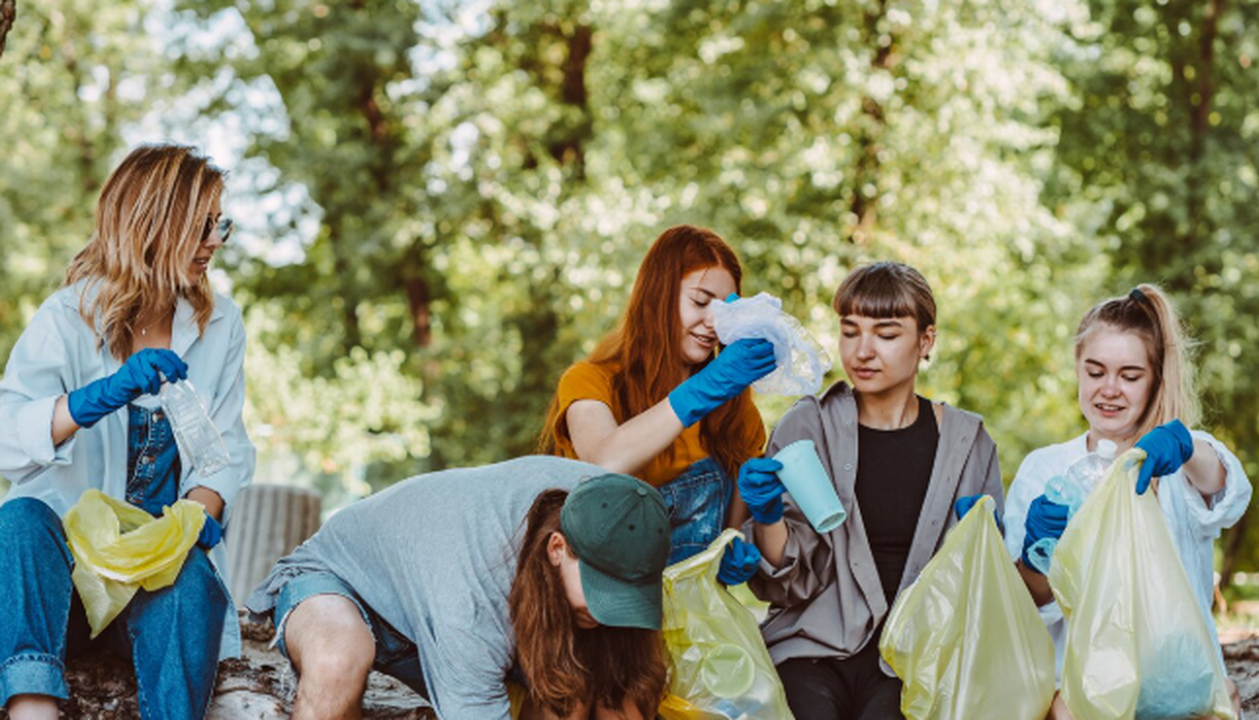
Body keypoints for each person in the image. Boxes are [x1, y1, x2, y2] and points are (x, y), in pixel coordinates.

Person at [0, 144, 255, 719]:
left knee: (191, 574)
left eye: (220, 225)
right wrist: (92, 400)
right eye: (202, 225)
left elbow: (227, 450)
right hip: (62, 591)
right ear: (152, 222)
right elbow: (6, 442)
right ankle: (32, 708)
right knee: (19, 522)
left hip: (150, 593)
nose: (216, 241)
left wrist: (197, 514)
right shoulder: (66, 317)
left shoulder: (221, 324)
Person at [737, 261, 1004, 720]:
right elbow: (786, 585)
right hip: (811, 648)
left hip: (915, 657)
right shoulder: (808, 427)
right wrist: (767, 518)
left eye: (886, 334)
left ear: (926, 341)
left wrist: (985, 545)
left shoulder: (968, 444)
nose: (862, 351)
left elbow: (983, 588)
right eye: (850, 331)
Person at [244, 457, 670, 720]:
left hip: (448, 597)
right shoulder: (473, 598)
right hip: (343, 582)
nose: (609, 611)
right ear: (557, 548)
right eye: (601, 591)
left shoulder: (629, 514)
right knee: (338, 657)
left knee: (573, 694)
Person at [1003, 284, 1250, 718]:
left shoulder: (1180, 460)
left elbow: (1229, 495)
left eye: (1130, 376)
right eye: (1095, 372)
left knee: (1221, 696)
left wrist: (1186, 448)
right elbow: (1030, 609)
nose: (1110, 389)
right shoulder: (1046, 469)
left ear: (1156, 379)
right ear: (1077, 369)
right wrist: (1036, 557)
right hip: (1085, 688)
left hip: (1180, 681)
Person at [539, 225, 775, 579]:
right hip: (602, 600)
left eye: (726, 309)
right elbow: (603, 463)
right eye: (700, 302)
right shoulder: (590, 381)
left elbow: (732, 531)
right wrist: (701, 391)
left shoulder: (737, 415)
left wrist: (732, 549)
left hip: (690, 607)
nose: (713, 322)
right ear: (658, 297)